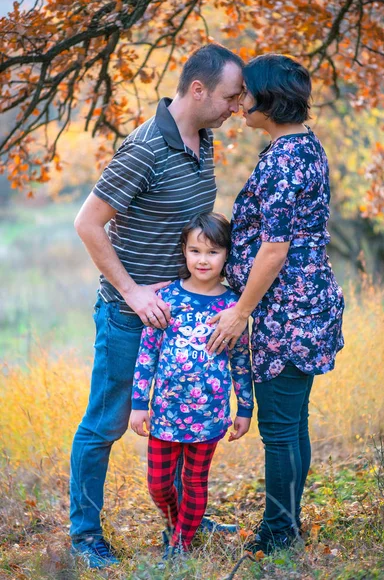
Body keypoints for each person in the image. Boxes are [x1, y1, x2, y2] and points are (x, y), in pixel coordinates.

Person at [70, 44, 244, 569]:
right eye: (229, 97)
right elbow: (87, 223)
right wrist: (130, 290)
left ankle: (184, 517)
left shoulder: (203, 139)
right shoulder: (144, 148)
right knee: (106, 424)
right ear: (197, 90)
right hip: (131, 316)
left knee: (181, 423)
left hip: (183, 315)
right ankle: (84, 536)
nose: (236, 107)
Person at [206, 54, 345, 555]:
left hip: (286, 312)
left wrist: (240, 309)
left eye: (245, 94)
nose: (239, 102)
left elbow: (274, 247)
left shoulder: (287, 159)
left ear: (268, 99)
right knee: (293, 423)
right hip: (301, 305)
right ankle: (288, 523)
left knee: (281, 430)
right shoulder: (298, 147)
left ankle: (280, 532)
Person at [129, 212, 254, 560]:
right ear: (184, 251)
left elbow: (241, 362)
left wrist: (245, 408)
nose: (203, 259)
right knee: (158, 484)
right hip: (165, 412)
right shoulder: (165, 298)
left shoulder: (233, 306)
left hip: (209, 413)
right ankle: (178, 523)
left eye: (213, 252)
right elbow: (147, 355)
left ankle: (181, 542)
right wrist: (140, 403)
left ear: (226, 254)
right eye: (195, 250)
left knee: (196, 481)